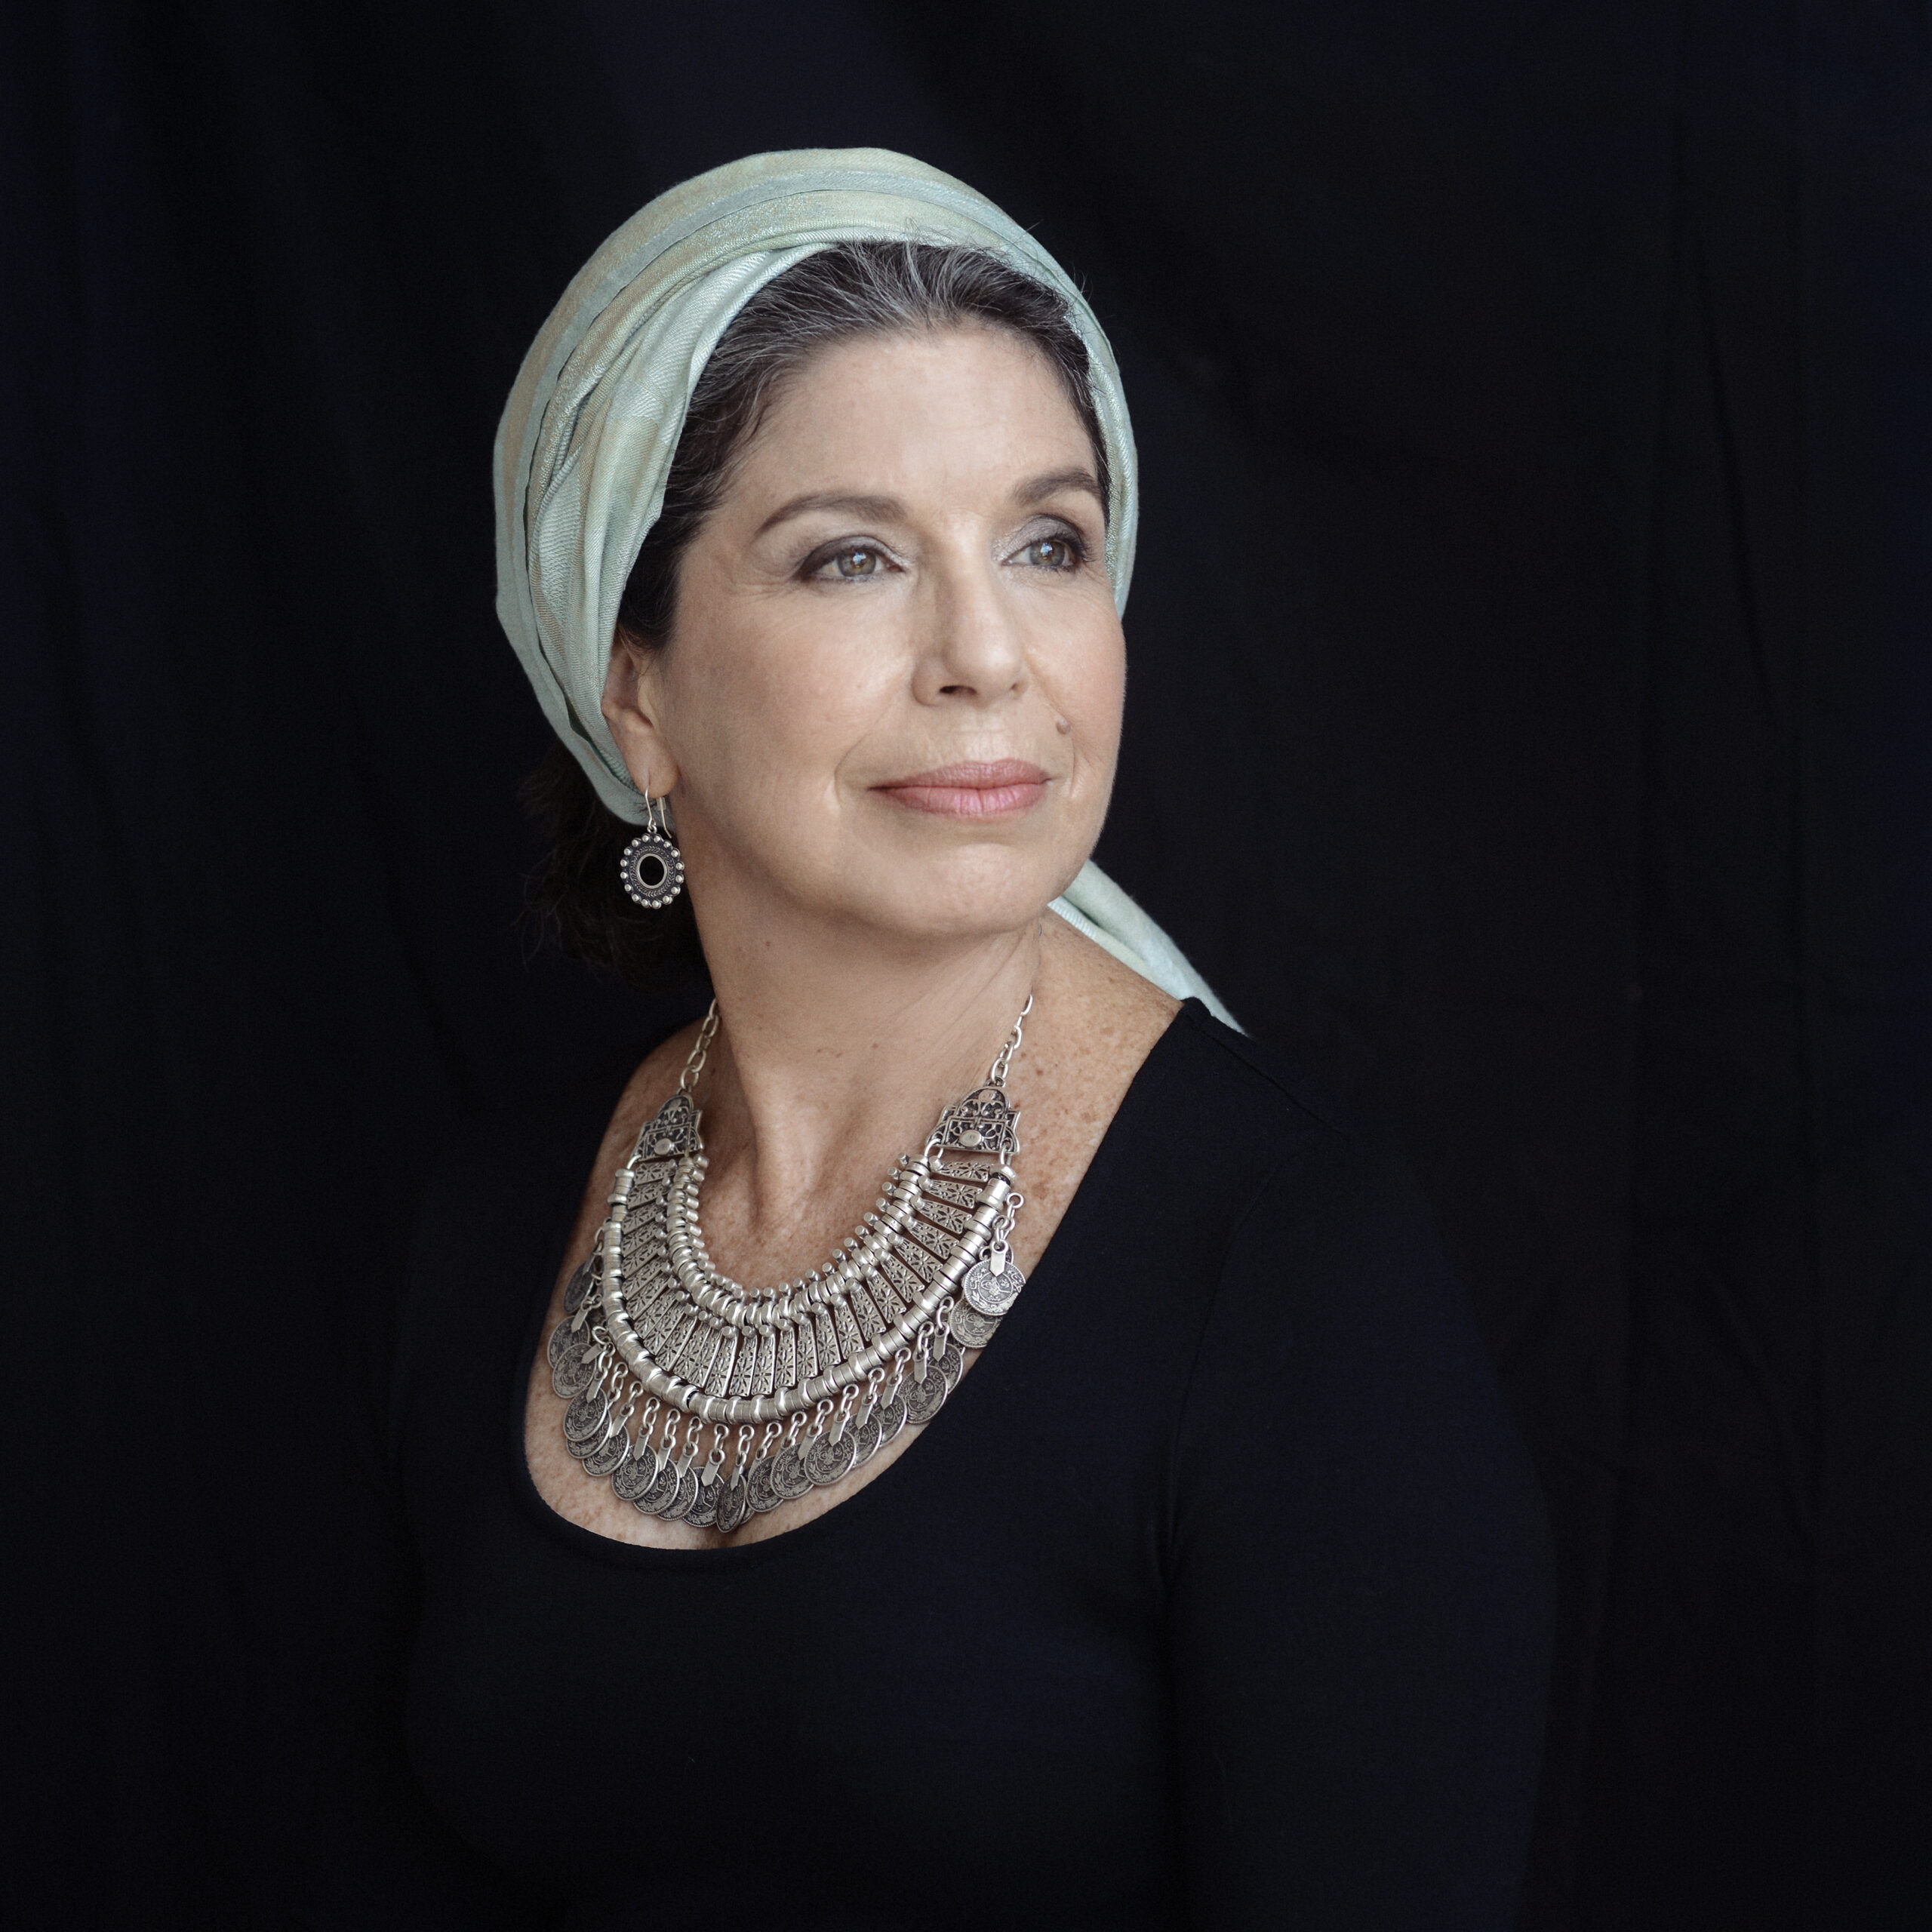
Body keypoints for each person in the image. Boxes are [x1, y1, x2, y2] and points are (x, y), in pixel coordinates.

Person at [301, 149, 1549, 1928]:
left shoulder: (1287, 1268)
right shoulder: (488, 1221)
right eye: (853, 557)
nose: (986, 650)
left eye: (1047, 541)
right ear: (629, 679)